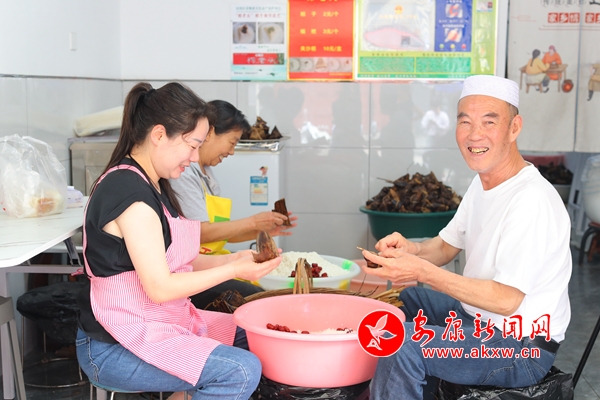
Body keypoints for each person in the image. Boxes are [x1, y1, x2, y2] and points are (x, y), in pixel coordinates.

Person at [360, 75, 571, 399]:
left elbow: (506, 300)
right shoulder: (483, 182)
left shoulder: (531, 200)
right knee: (403, 301)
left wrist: (421, 271)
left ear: (514, 128)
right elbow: (446, 246)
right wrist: (412, 250)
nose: (475, 135)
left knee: (402, 344)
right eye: (465, 122)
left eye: (489, 122)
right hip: (475, 319)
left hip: (518, 346)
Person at [76, 82, 282, 400]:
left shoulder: (155, 184)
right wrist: (232, 271)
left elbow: (177, 260)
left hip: (161, 323)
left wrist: (236, 260)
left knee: (259, 334)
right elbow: (160, 287)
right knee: (240, 370)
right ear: (159, 135)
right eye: (193, 145)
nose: (196, 157)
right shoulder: (130, 195)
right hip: (115, 344)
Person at [169, 99, 297, 308]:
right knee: (261, 301)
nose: (231, 152)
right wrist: (253, 222)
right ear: (209, 132)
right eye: (232, 142)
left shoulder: (207, 175)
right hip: (195, 271)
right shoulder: (184, 174)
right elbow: (200, 233)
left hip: (216, 262)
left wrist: (261, 231)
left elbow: (219, 235)